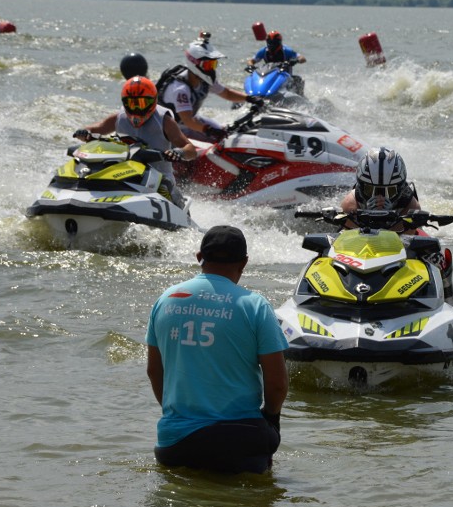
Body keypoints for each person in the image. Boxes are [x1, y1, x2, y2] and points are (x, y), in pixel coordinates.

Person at [146, 225, 290, 474]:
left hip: (176, 444)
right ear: (244, 263)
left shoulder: (166, 300)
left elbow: (153, 372)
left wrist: (178, 416)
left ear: (199, 257)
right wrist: (271, 418)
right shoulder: (255, 306)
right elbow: (277, 384)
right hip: (239, 443)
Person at [339, 147, 453, 305]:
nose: (379, 197)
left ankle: (450, 305)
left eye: (389, 191)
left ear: (400, 188)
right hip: (359, 238)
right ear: (360, 186)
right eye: (370, 190)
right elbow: (349, 236)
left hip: (399, 239)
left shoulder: (410, 202)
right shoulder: (350, 203)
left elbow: (404, 237)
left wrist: (388, 216)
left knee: (439, 257)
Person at [73, 75, 197, 208]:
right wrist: (84, 132)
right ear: (125, 103)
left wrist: (178, 153)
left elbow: (191, 150)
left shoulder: (164, 120)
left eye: (142, 103)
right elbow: (96, 128)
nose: (136, 109)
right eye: (132, 103)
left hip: (159, 178)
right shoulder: (120, 117)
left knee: (166, 189)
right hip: (126, 175)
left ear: (153, 101)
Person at [157, 32, 258, 142]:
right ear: (195, 64)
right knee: (216, 143)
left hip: (194, 120)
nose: (211, 69)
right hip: (175, 128)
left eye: (213, 64)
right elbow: (187, 121)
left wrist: (249, 98)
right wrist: (209, 130)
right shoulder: (180, 89)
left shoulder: (205, 80)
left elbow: (227, 93)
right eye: (207, 65)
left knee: (226, 136)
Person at [247, 30, 307, 95]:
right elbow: (251, 61)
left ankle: (300, 98)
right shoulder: (263, 51)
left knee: (298, 79)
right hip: (269, 74)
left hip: (285, 75)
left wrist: (296, 60)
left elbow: (302, 58)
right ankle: (256, 94)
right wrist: (250, 66)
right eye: (270, 42)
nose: (272, 45)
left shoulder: (286, 50)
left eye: (274, 43)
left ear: (279, 42)